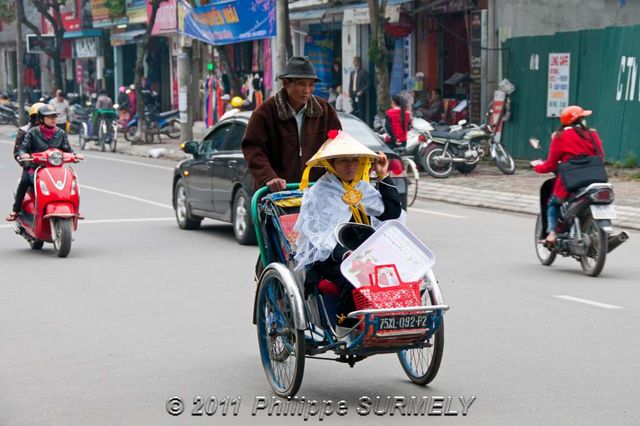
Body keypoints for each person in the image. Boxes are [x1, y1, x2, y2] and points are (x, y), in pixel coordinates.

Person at [294, 130, 403, 327]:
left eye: (354, 160)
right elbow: (320, 238)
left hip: (363, 252)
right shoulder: (319, 192)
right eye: (343, 161)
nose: (350, 166)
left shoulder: (363, 188)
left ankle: (394, 321)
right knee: (353, 275)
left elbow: (392, 212)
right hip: (331, 257)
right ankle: (345, 325)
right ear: (331, 164)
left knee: (399, 269)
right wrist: (344, 254)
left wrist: (383, 175)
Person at [242, 56, 342, 192]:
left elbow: (337, 143)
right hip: (276, 194)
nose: (307, 90)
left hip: (317, 192)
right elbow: (253, 148)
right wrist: (269, 177)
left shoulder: (325, 110)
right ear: (286, 84)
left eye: (311, 84)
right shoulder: (265, 112)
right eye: (301, 84)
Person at [531, 105, 605, 245]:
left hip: (570, 181)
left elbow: (551, 165)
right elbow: (601, 157)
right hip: (595, 179)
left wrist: (537, 168)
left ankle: (552, 233)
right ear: (581, 120)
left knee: (553, 204)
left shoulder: (560, 137)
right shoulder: (593, 134)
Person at [6, 104, 82, 222]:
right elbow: (22, 149)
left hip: (55, 169)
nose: (53, 119)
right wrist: (24, 155)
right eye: (49, 117)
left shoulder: (61, 133)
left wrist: (74, 156)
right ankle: (15, 210)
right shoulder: (32, 132)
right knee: (24, 182)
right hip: (34, 168)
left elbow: (68, 150)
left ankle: (75, 209)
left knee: (72, 183)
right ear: (41, 119)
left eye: (54, 116)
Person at [348, 56, 368, 121]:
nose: (353, 63)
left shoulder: (364, 72)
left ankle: (362, 124)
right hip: (353, 94)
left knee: (361, 112)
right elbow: (350, 84)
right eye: (353, 61)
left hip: (360, 95)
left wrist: (362, 91)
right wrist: (349, 93)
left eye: (355, 61)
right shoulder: (352, 73)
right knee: (354, 110)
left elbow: (368, 84)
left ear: (358, 62)